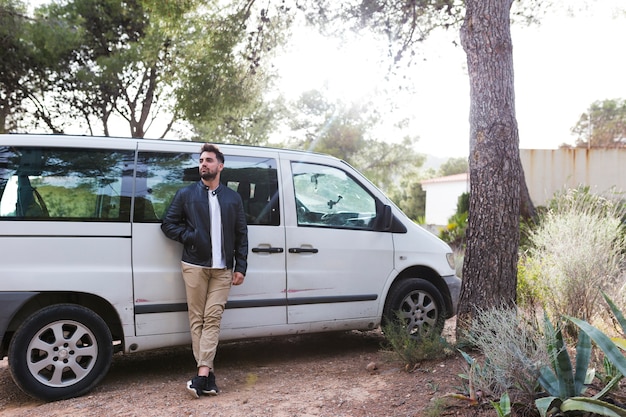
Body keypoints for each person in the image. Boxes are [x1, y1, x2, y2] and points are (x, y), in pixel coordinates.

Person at [161, 143, 248, 398]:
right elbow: (168, 224)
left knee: (213, 318)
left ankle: (201, 375)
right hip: (194, 266)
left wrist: (240, 265)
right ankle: (207, 376)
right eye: (201, 160)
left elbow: (241, 233)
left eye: (209, 160)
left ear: (220, 166)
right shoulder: (186, 194)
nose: (203, 164)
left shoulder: (233, 198)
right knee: (196, 318)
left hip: (223, 270)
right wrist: (192, 236)